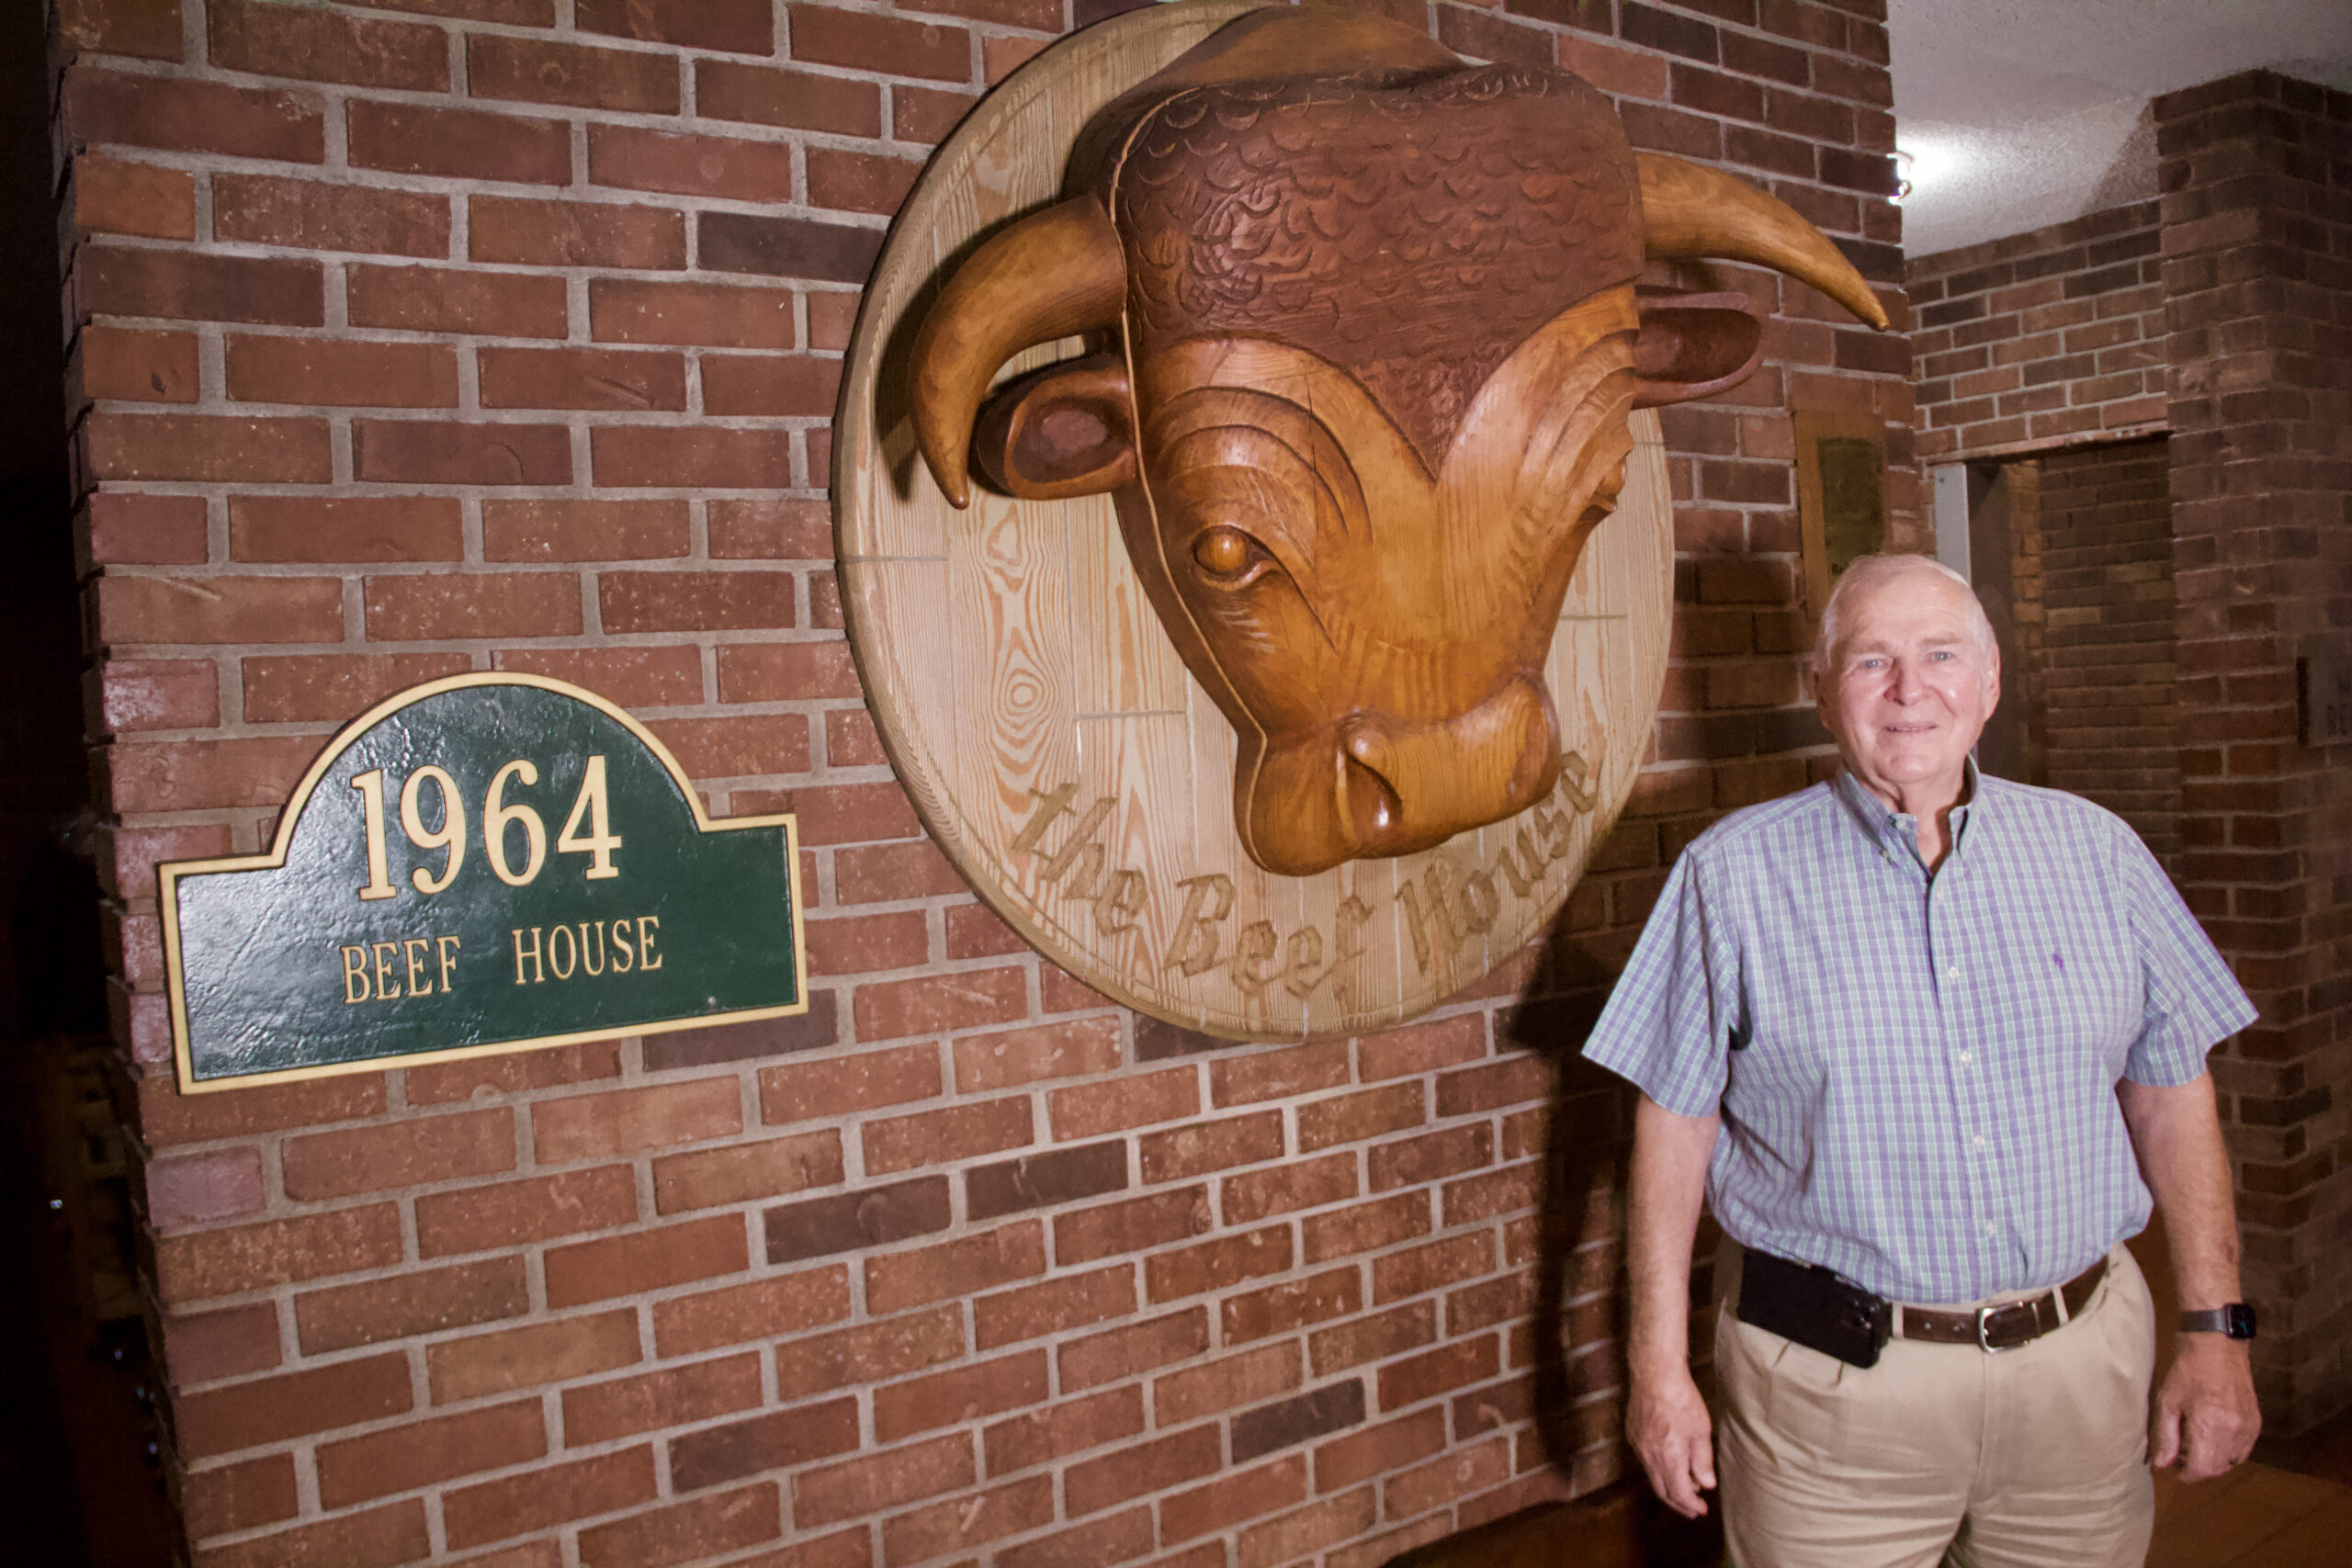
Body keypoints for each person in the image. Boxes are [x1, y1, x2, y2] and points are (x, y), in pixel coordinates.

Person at [1581, 552, 2261, 1567]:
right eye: (1870, 662)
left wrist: (2216, 1332)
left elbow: (2172, 1096)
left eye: (1941, 655)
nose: (1909, 690)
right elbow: (1671, 1126)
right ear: (1821, 691)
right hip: (1828, 1404)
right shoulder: (1729, 878)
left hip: (2078, 1386)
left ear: (1988, 684)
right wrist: (1657, 1371)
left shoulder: (2099, 855)